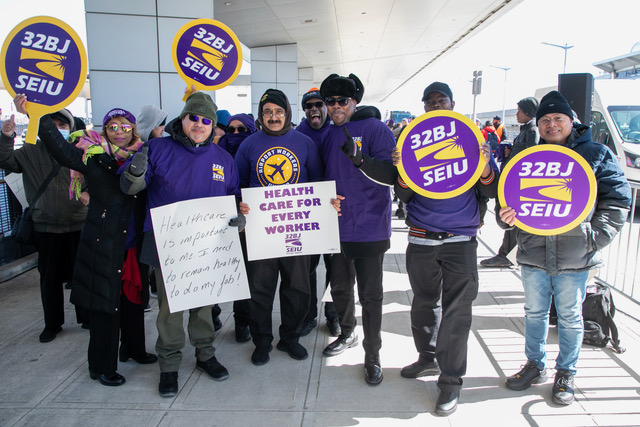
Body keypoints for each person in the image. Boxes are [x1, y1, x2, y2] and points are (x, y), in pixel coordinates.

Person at [501, 91, 631, 406]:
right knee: (534, 314)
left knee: (571, 317)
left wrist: (593, 237)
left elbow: (617, 200)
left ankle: (566, 373)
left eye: (558, 118)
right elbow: (508, 200)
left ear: (571, 121)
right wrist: (506, 219)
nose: (552, 124)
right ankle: (534, 365)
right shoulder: (527, 155)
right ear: (539, 124)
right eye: (545, 119)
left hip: (576, 256)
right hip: (533, 253)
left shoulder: (596, 153)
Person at [21, 98, 157, 386]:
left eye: (124, 126)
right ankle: (101, 366)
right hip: (102, 242)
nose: (118, 131)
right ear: (104, 130)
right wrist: (39, 115)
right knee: (104, 306)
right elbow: (58, 147)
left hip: (133, 243)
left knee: (133, 300)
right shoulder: (90, 156)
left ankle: (132, 349)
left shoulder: (144, 154)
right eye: (112, 127)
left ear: (133, 129)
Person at [120, 91, 247, 397]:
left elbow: (234, 198)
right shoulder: (158, 148)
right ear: (183, 118)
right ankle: (169, 365)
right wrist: (135, 170)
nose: (199, 124)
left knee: (204, 305)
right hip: (169, 245)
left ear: (213, 124)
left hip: (209, 247)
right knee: (170, 308)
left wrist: (238, 218)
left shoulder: (223, 159)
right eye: (194, 117)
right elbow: (128, 186)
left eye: (206, 120)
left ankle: (205, 354)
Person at [394, 82, 498, 416]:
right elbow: (405, 197)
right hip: (421, 239)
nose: (437, 105)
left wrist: (484, 166)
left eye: (442, 101)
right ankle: (427, 358)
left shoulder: (472, 141)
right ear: (424, 108)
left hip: (460, 242)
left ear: (453, 104)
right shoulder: (411, 142)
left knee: (457, 315)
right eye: (430, 102)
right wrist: (402, 170)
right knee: (424, 306)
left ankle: (451, 383)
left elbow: (492, 190)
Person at [235, 88, 324, 365]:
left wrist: (327, 203)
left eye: (278, 111)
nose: (273, 116)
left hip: (296, 229)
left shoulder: (305, 142)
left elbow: (318, 184)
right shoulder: (248, 144)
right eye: (268, 112)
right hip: (261, 231)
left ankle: (290, 338)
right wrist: (239, 203)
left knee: (298, 287)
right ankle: (262, 341)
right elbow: (236, 184)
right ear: (261, 116)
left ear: (287, 113)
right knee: (260, 289)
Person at [318, 73, 397, 386]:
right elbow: (321, 179)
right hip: (335, 227)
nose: (336, 107)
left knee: (371, 296)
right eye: (330, 102)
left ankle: (373, 353)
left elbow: (391, 175)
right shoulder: (326, 134)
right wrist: (324, 198)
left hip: (369, 226)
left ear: (354, 101)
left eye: (342, 101)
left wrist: (359, 159)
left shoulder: (376, 129)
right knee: (338, 289)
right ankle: (348, 333)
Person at [0, 106, 89, 343]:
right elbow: (6, 161)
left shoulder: (81, 152)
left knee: (81, 275)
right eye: (53, 124)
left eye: (62, 125)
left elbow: (95, 180)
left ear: (71, 129)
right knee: (49, 278)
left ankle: (86, 316)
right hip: (45, 225)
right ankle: (53, 323)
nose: (57, 129)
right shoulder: (30, 151)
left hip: (78, 223)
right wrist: (6, 137)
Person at [296, 87, 340, 338]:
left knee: (336, 269)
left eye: (319, 104)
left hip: (334, 212)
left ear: (326, 107)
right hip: (307, 214)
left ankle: (333, 315)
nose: (314, 108)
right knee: (307, 268)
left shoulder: (338, 131)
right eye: (308, 105)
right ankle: (309, 315)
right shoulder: (296, 135)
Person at [481, 97, 539, 268]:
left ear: (528, 111)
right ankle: (507, 254)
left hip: (520, 185)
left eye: (519, 110)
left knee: (513, 219)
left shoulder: (533, 130)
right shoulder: (527, 129)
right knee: (512, 220)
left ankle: (507, 256)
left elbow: (531, 158)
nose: (516, 114)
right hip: (515, 182)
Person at [215, 112, 258, 344]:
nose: (235, 134)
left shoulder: (256, 150)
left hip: (250, 220)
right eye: (231, 130)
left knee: (245, 276)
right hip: (219, 222)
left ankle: (243, 321)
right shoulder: (217, 152)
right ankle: (212, 314)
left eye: (241, 130)